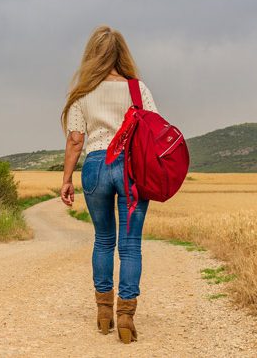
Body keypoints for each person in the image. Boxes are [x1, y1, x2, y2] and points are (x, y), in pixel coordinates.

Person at [59, 25, 158, 344]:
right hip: (131, 169)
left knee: (103, 239)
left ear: (92, 55)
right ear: (122, 54)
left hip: (96, 167)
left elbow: (76, 141)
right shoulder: (136, 89)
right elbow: (154, 130)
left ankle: (104, 314)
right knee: (130, 246)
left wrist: (66, 179)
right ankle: (126, 317)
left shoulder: (83, 93)